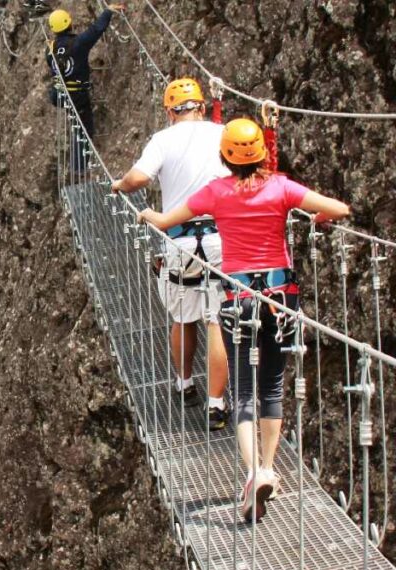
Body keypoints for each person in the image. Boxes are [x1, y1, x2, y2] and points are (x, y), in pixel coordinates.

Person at [137, 118, 350, 522]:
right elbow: (339, 208)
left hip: (239, 299)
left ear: (225, 157)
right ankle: (269, 467)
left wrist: (147, 212)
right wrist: (315, 218)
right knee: (272, 386)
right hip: (280, 300)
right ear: (261, 155)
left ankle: (252, 472)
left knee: (243, 390)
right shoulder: (283, 188)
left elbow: (166, 222)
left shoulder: (216, 192)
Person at [111, 78, 230, 430]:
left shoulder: (163, 140)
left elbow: (138, 178)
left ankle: (184, 383)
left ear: (169, 112)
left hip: (178, 241)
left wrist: (119, 185)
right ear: (202, 107)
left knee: (183, 317)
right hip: (221, 239)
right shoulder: (221, 133)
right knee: (216, 320)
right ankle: (216, 404)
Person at [45, 4, 125, 171]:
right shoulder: (78, 44)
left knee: (77, 126)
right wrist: (108, 11)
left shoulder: (50, 48)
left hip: (59, 93)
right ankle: (79, 169)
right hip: (77, 95)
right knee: (83, 130)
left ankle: (78, 167)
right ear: (69, 24)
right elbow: (96, 29)